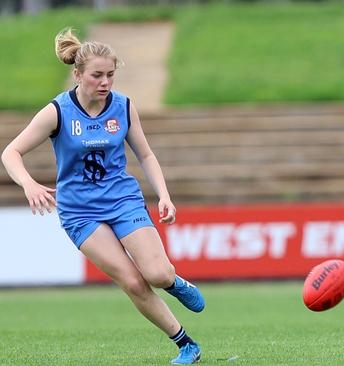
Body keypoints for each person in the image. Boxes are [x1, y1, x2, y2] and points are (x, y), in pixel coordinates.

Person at [1, 28, 205, 365]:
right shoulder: (58, 111)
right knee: (132, 282)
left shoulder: (123, 106)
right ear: (77, 74)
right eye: (97, 75)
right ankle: (186, 345)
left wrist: (164, 195)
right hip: (79, 212)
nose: (105, 82)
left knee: (156, 274)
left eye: (110, 74)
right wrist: (29, 184)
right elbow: (11, 152)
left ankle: (173, 279)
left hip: (123, 200)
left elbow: (146, 155)